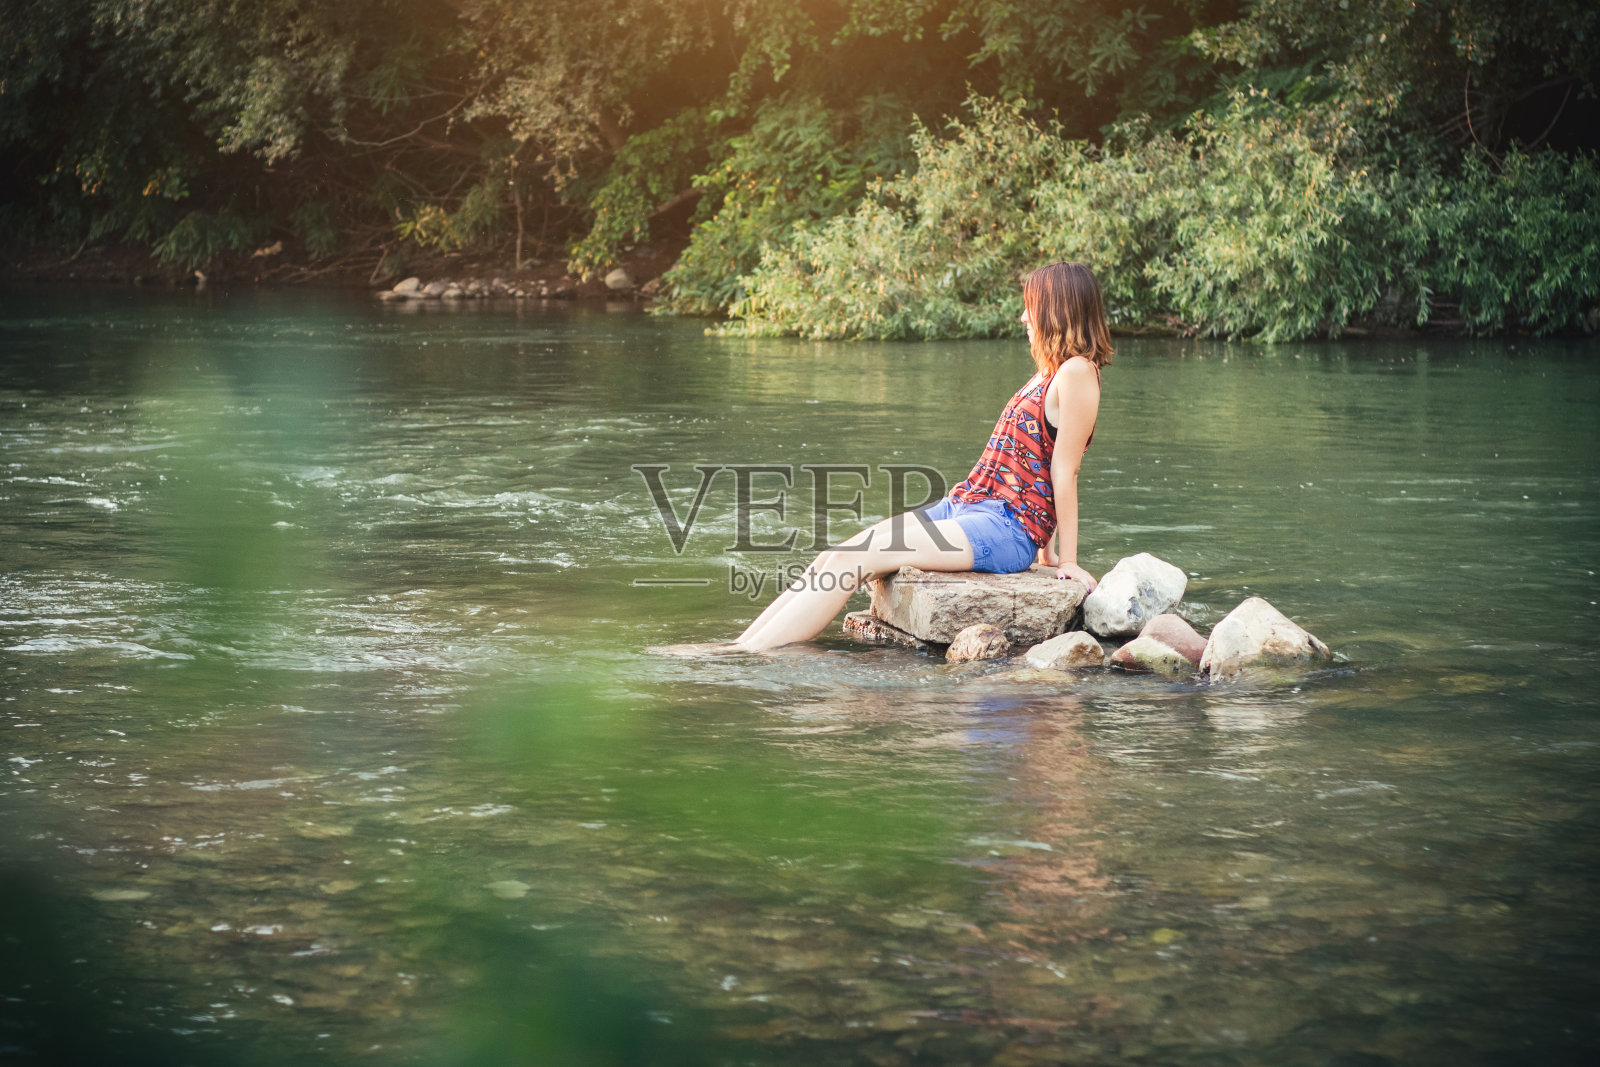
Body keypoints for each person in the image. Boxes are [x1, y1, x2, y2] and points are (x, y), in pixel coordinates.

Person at [733, 261, 1113, 653]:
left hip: (1004, 528)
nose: (1023, 317)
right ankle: (736, 647)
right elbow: (1039, 459)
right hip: (966, 506)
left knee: (854, 562)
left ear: (1056, 309)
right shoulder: (1050, 371)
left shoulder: (1077, 372)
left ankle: (748, 657)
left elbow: (1065, 469)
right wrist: (1046, 550)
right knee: (836, 556)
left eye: (1030, 307)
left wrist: (1067, 560)